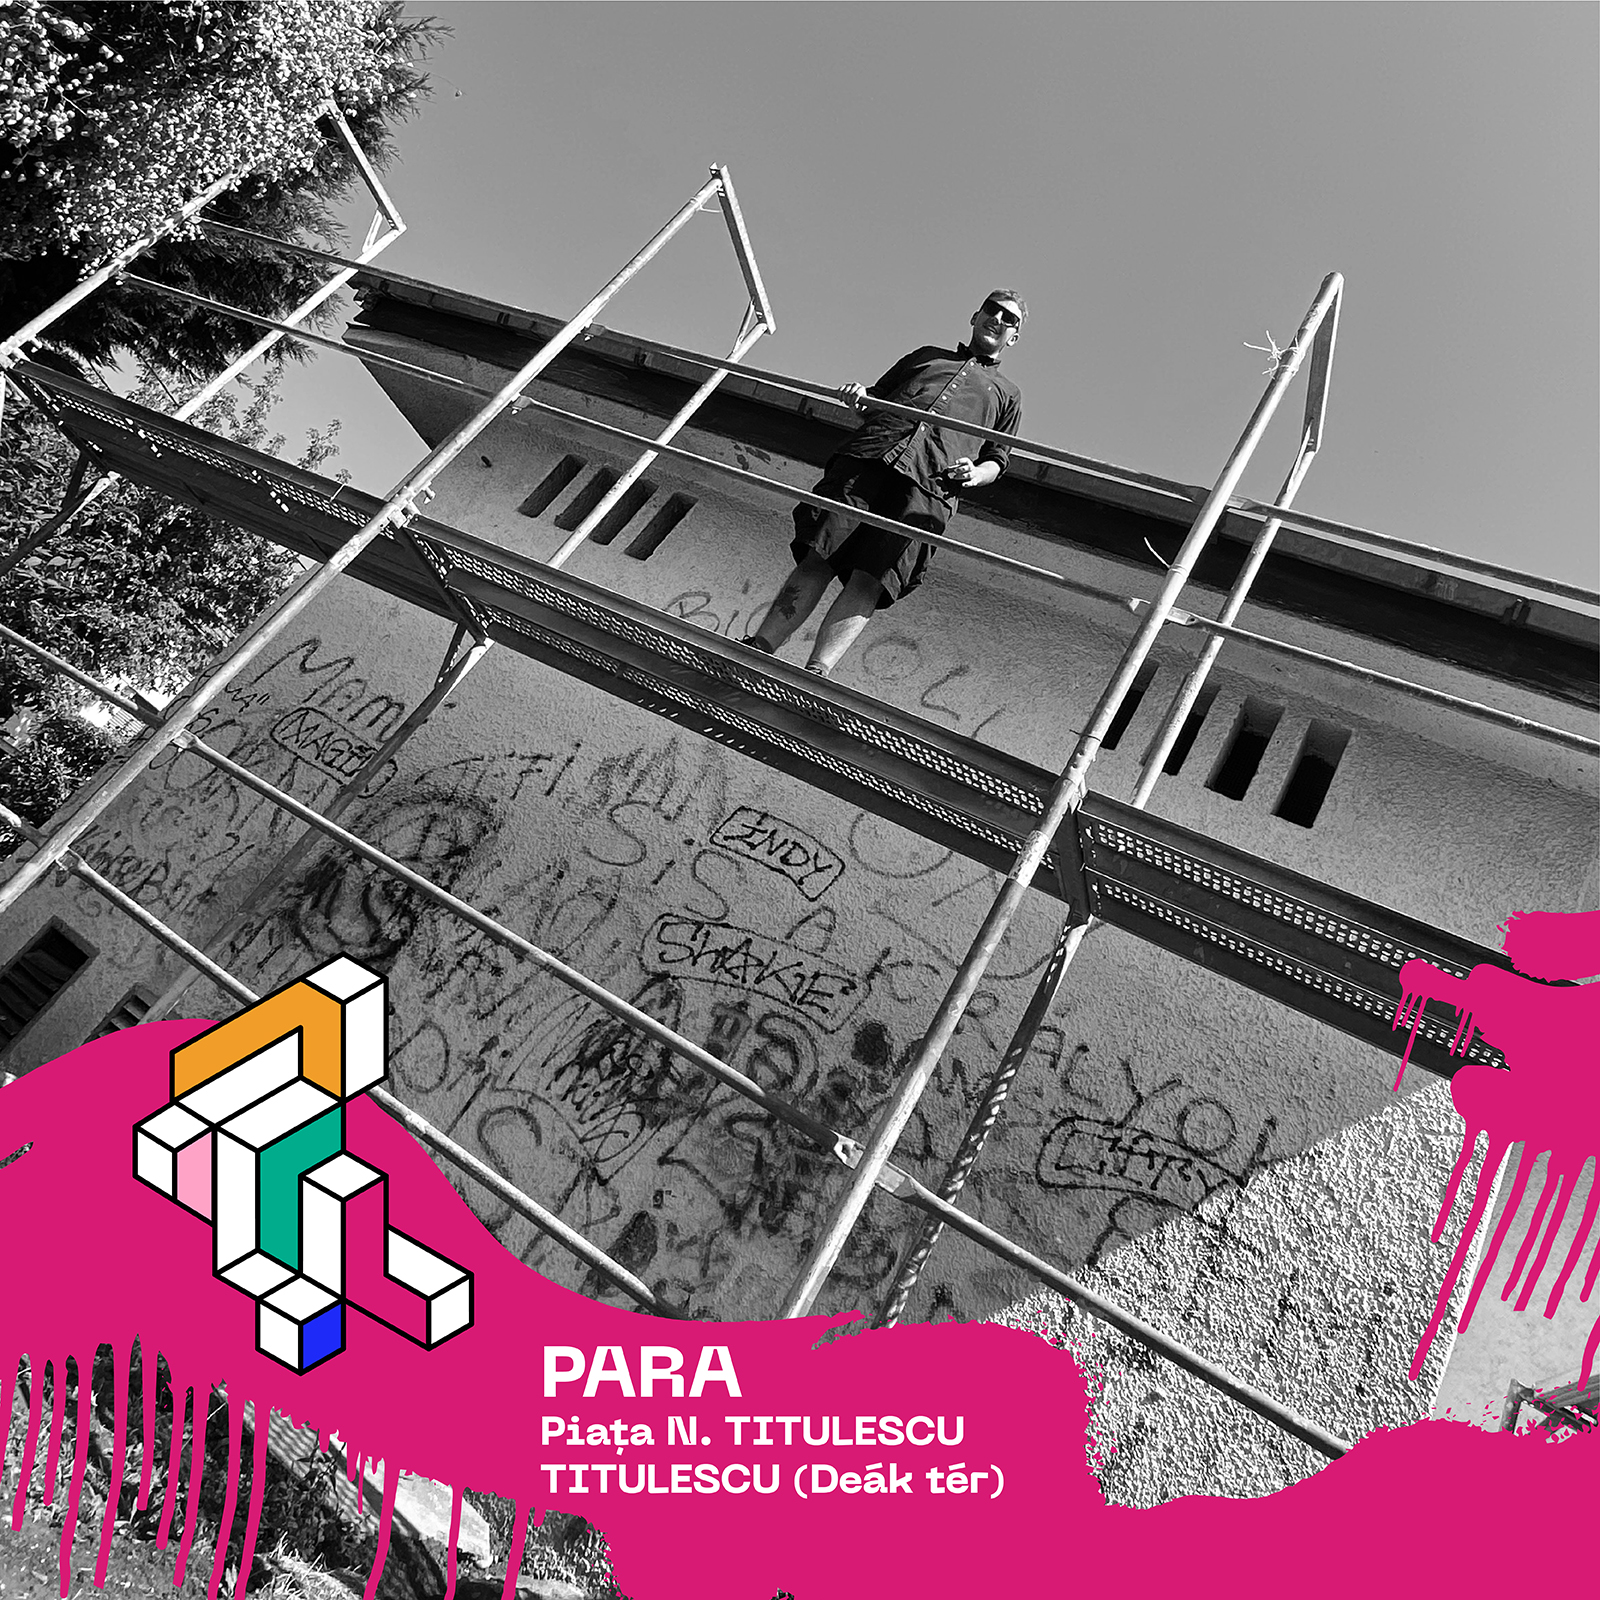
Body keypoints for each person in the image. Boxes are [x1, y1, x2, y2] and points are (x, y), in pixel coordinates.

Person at [743, 290, 1026, 678]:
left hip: (929, 488)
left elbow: (997, 459)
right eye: (992, 310)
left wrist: (977, 473)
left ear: (1014, 337)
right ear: (975, 316)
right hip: (870, 460)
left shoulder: (1009, 395)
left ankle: (816, 673)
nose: (998, 319)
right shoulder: (926, 356)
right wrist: (858, 396)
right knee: (819, 554)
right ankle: (759, 647)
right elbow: (874, 399)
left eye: (1009, 319)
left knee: (872, 578)